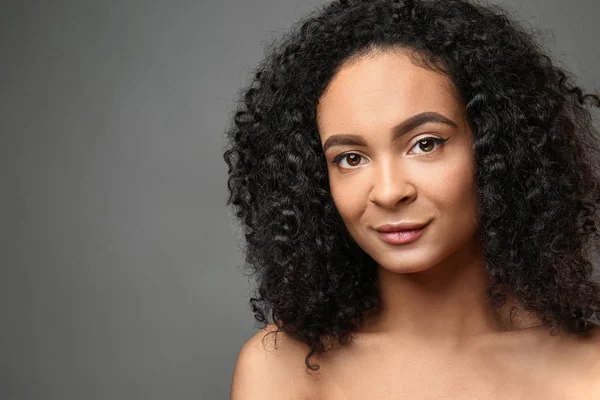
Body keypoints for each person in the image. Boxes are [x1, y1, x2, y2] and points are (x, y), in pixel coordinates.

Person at [223, 0, 600, 397]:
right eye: (351, 158)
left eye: (425, 144)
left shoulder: (588, 371)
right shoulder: (281, 371)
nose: (388, 191)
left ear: (498, 150)